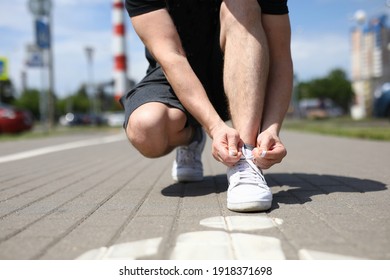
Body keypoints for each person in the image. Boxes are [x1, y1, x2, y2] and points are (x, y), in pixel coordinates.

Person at [120, 0, 293, 212]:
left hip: (242, 66)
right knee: (145, 129)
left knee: (241, 3)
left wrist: (270, 129)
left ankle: (245, 159)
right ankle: (192, 135)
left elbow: (280, 57)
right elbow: (171, 56)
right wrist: (214, 127)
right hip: (176, 74)